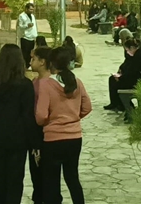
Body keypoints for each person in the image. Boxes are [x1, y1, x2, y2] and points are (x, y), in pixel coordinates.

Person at [36, 48, 92, 204]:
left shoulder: (46, 84)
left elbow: (41, 115)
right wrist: (73, 118)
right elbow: (87, 107)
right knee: (72, 177)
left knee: (51, 181)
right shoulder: (77, 82)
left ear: (51, 63)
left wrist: (50, 122)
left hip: (53, 139)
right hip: (74, 137)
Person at [0, 44, 38, 203]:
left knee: (0, 174)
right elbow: (28, 115)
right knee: (15, 178)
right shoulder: (25, 85)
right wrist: (34, 142)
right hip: (19, 137)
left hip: (0, 135)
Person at [29, 46, 53, 204]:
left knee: (46, 171)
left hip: (46, 130)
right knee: (35, 171)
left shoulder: (50, 83)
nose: (30, 62)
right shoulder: (34, 82)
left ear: (42, 62)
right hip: (35, 131)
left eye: (33, 59)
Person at [105, 38, 141, 112]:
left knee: (116, 83)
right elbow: (126, 65)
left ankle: (121, 105)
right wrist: (120, 71)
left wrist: (121, 77)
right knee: (112, 79)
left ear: (132, 48)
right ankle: (115, 103)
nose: (127, 52)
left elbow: (134, 73)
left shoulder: (140, 57)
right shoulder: (133, 55)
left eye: (127, 50)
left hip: (138, 81)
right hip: (132, 79)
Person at [18, 3, 38, 70]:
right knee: (25, 52)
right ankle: (25, 65)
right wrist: (27, 25)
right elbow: (20, 26)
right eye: (30, 9)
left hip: (32, 36)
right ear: (26, 9)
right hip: (25, 36)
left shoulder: (32, 16)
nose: (32, 11)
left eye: (32, 9)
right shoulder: (22, 16)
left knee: (30, 52)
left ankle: (28, 65)